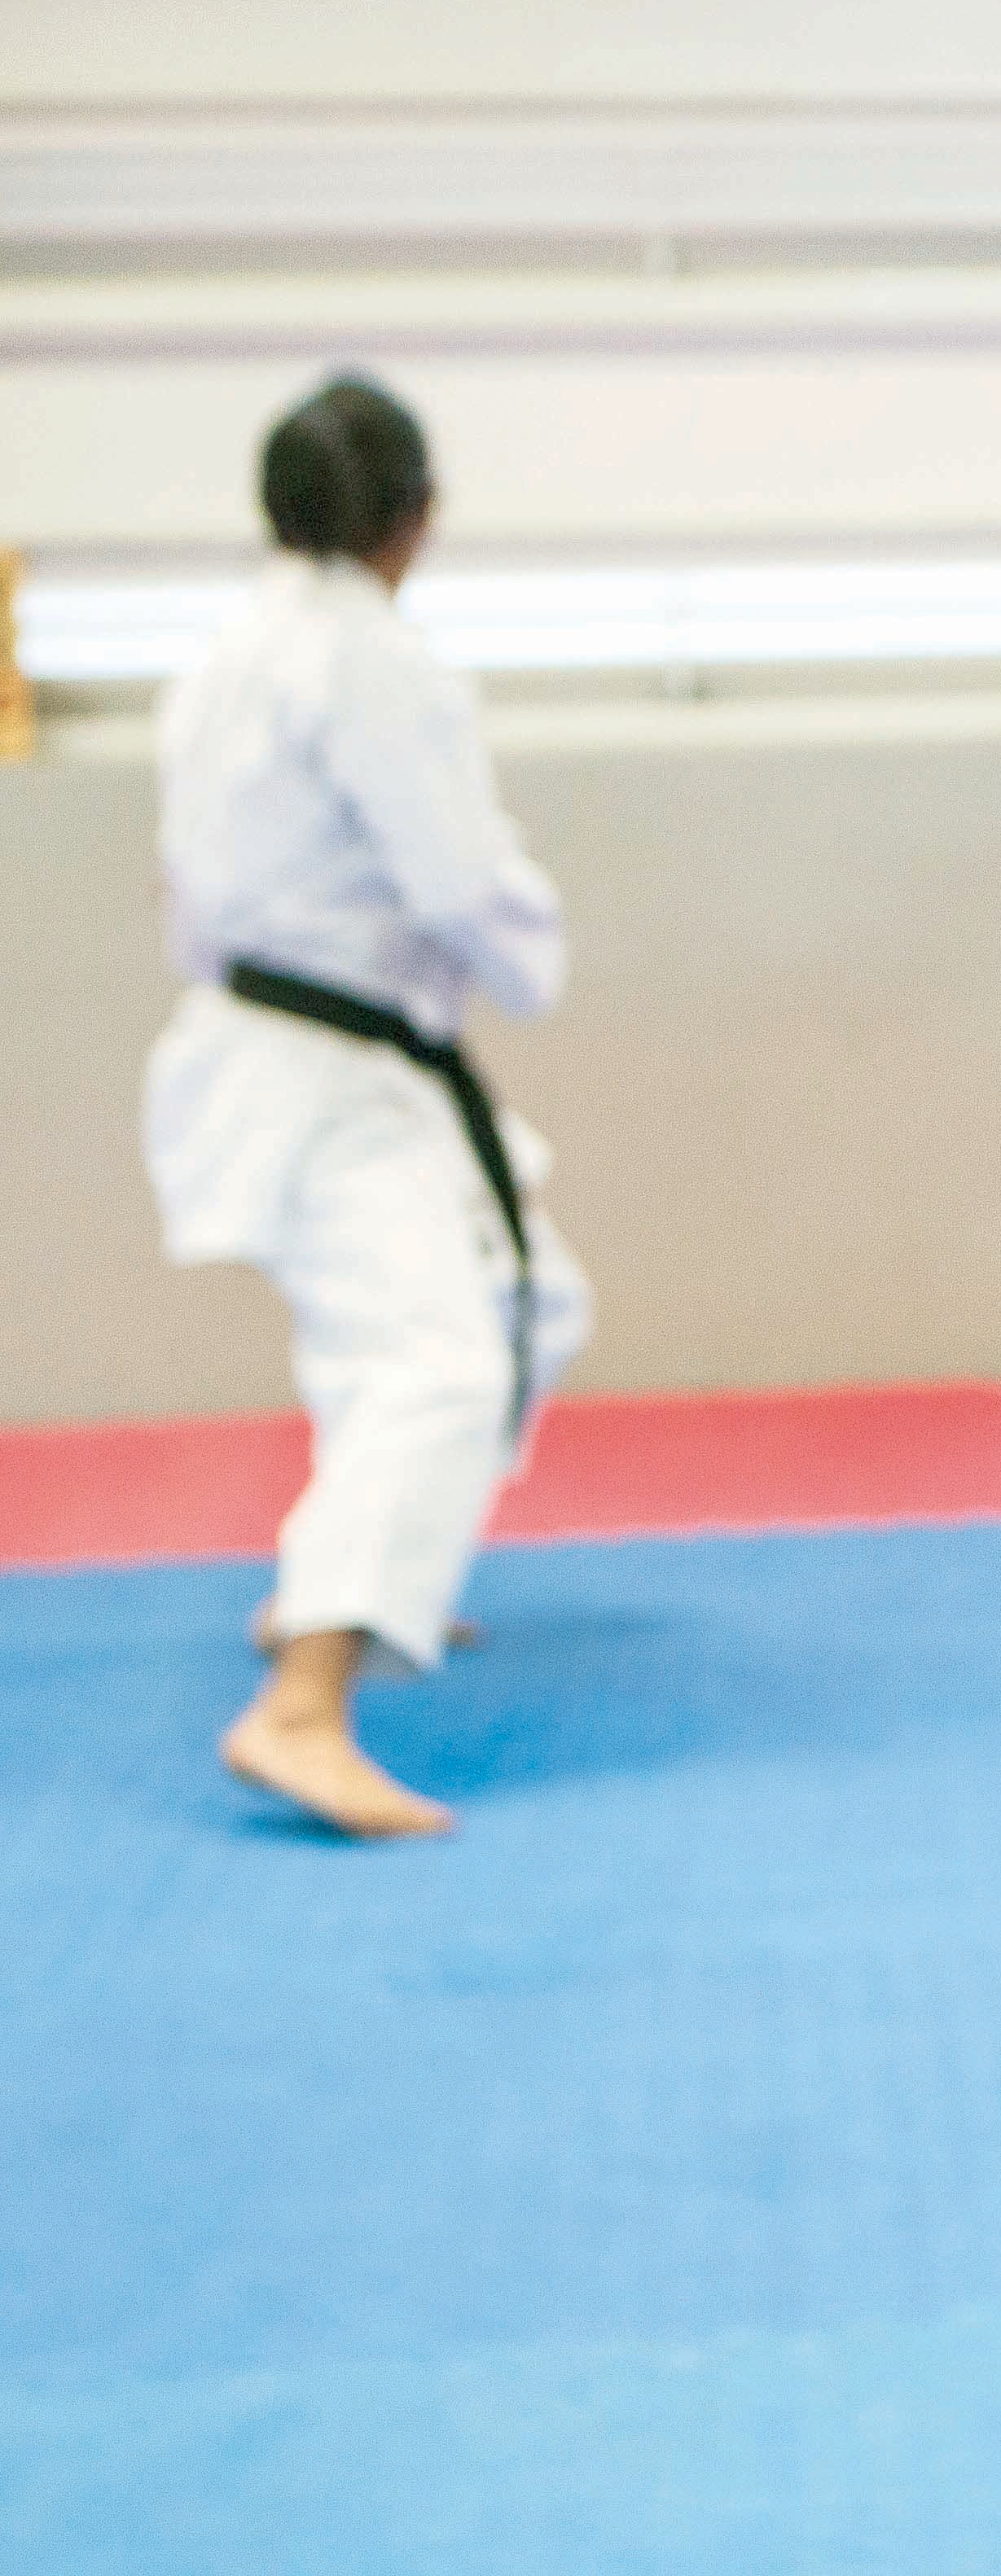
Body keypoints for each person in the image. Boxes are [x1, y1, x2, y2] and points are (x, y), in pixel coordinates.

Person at [145, 373, 592, 1841]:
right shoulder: (368, 663)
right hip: (325, 1068)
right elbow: (458, 876)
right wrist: (529, 957)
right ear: (414, 519)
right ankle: (302, 1704)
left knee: (526, 1301)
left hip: (282, 1047)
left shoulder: (231, 649)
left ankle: (356, 1572)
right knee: (435, 1364)